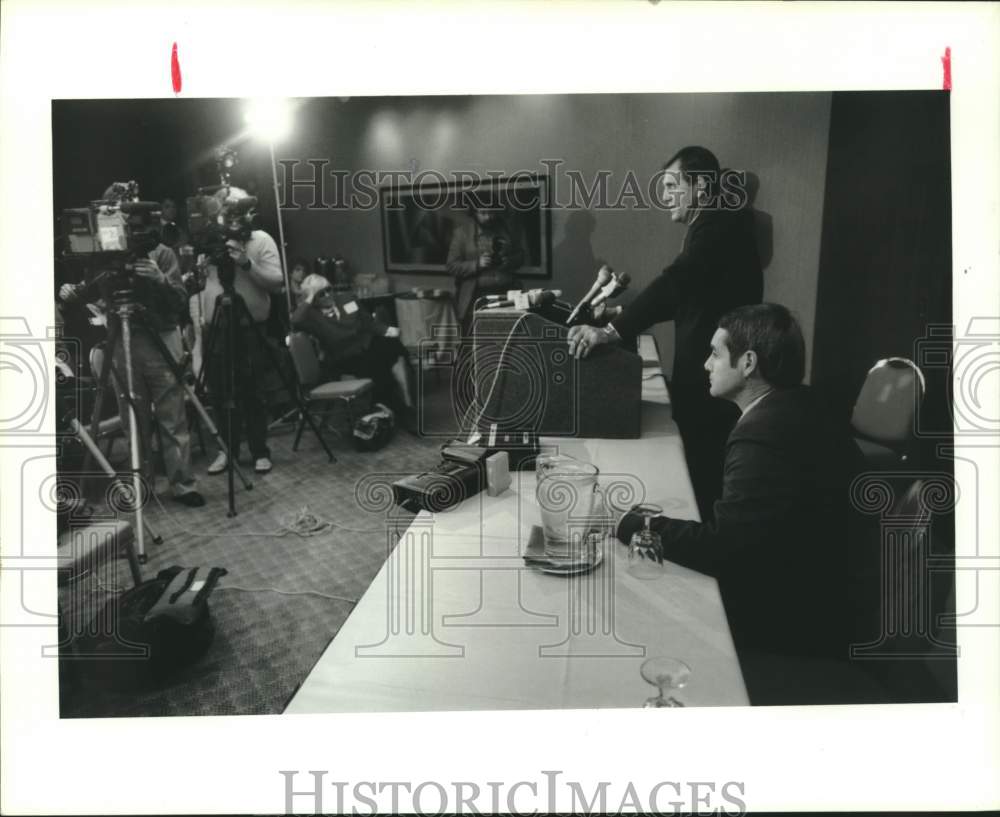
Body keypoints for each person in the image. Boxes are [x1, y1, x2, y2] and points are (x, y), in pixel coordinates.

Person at [616, 304, 871, 705]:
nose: (705, 365)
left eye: (715, 354)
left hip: (807, 619)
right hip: (835, 588)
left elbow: (724, 547)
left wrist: (631, 524)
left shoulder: (763, 433)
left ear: (748, 362)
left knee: (644, 610)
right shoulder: (795, 404)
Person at [568, 146, 762, 523]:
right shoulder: (716, 222)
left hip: (715, 374)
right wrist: (619, 312)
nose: (664, 195)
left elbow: (677, 284)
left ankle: (704, 553)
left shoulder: (718, 222)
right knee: (696, 464)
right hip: (708, 370)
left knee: (703, 472)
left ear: (701, 186)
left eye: (673, 185)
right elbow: (690, 295)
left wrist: (610, 331)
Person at [58, 243, 205, 507]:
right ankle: (142, 485)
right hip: (122, 340)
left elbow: (180, 299)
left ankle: (183, 484)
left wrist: (160, 279)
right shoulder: (103, 255)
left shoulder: (161, 253)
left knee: (171, 415)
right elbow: (89, 291)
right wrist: (71, 293)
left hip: (160, 334)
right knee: (132, 417)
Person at [200, 190, 284, 475]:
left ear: (249, 211)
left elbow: (276, 282)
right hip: (217, 329)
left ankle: (260, 451)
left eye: (237, 210)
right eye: (226, 210)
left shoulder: (261, 240)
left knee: (253, 391)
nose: (232, 217)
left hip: (250, 328)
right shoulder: (212, 241)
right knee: (221, 393)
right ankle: (227, 450)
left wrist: (246, 263)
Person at [292, 274, 415, 422]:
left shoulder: (347, 299)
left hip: (365, 344)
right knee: (378, 363)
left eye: (328, 290)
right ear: (313, 299)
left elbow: (367, 322)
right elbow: (295, 321)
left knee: (392, 345)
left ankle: (405, 404)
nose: (327, 295)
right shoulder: (311, 316)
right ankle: (397, 409)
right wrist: (309, 297)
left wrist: (387, 330)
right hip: (343, 357)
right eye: (321, 294)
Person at [447, 202, 526, 334]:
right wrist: (477, 264)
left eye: (491, 212)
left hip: (506, 293)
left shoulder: (507, 230)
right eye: (483, 213)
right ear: (474, 213)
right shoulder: (462, 234)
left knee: (504, 337)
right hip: (475, 297)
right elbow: (452, 266)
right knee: (474, 339)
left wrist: (508, 261)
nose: (488, 217)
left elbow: (521, 256)